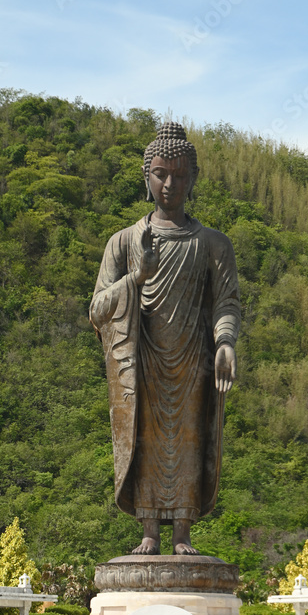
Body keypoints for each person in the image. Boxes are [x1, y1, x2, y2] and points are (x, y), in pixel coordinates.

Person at [90, 122, 240, 555]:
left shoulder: (212, 244)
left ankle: (183, 534)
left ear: (192, 178)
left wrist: (226, 342)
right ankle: (149, 530)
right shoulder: (122, 242)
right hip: (143, 361)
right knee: (146, 440)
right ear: (146, 178)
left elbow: (227, 301)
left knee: (190, 438)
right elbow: (97, 310)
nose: (169, 183)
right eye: (160, 173)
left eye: (178, 175)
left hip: (193, 358)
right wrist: (135, 277)